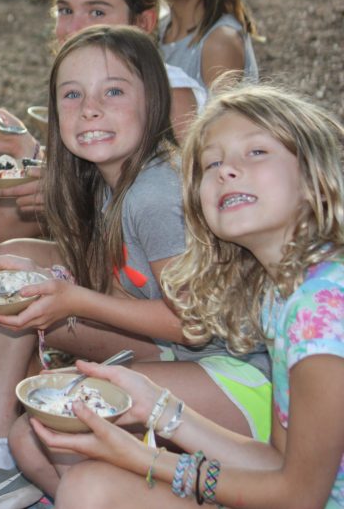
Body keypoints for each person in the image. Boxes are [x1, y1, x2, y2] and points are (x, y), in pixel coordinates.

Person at [0, 26, 270, 509]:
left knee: (63, 424)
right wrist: (48, 286)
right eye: (72, 94)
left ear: (152, 100)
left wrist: (74, 299)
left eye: (113, 91)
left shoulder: (156, 193)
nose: (90, 108)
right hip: (179, 356)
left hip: (243, 379)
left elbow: (193, 325)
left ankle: (104, 492)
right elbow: (129, 289)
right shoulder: (106, 179)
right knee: (30, 433)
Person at [32, 84, 344, 509]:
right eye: (210, 163)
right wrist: (158, 408)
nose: (225, 170)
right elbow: (275, 461)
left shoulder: (323, 310)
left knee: (93, 490)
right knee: (89, 486)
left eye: (256, 152)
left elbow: (299, 496)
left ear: (314, 179)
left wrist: (149, 460)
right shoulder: (282, 294)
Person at [0, 0, 206, 256]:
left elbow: (186, 210)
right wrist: (28, 150)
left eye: (96, 12)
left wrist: (61, 192)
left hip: (158, 259)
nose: (74, 27)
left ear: (143, 23)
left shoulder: (172, 95)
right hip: (103, 232)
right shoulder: (81, 78)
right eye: (65, 10)